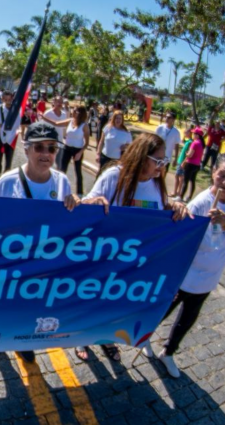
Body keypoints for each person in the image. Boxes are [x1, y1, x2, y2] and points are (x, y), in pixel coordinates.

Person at [0, 122, 109, 363]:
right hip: (13, 263)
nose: (46, 154)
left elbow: (69, 219)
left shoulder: (62, 181)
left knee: (30, 307)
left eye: (52, 149)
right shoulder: (7, 182)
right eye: (39, 148)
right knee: (6, 305)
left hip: (44, 265)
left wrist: (82, 203)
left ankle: (23, 342)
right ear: (26, 149)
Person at [80, 133, 192, 362]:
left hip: (134, 264)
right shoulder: (114, 176)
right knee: (94, 301)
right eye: (158, 160)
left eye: (164, 161)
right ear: (142, 157)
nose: (162, 166)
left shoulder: (157, 184)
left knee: (114, 306)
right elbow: (86, 204)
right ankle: (81, 338)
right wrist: (92, 203)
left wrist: (175, 205)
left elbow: (161, 209)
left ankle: (104, 338)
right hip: (105, 259)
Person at [142, 154, 225, 378]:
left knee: (187, 319)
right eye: (221, 176)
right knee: (163, 310)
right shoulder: (200, 203)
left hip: (209, 278)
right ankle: (144, 337)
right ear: (212, 173)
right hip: (186, 275)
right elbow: (180, 235)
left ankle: (168, 352)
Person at [59, 106, 91, 195]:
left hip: (78, 150)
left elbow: (87, 143)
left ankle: (79, 193)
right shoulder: (70, 121)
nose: (76, 112)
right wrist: (44, 118)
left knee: (78, 171)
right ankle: (60, 188)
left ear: (82, 114)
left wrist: (80, 153)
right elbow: (57, 123)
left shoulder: (84, 126)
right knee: (62, 170)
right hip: (67, 148)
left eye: (78, 111)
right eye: (75, 110)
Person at [180, 127, 205, 202]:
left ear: (197, 135)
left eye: (194, 134)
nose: (193, 135)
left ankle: (180, 197)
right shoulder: (201, 143)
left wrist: (186, 153)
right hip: (197, 165)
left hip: (190, 164)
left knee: (185, 181)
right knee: (192, 180)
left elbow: (190, 155)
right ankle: (189, 197)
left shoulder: (195, 143)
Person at [172, 127, 194, 199]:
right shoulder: (188, 141)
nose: (185, 133)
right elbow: (182, 141)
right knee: (178, 176)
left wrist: (184, 162)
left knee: (180, 177)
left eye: (186, 132)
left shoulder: (190, 142)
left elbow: (188, 154)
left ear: (190, 133)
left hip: (182, 161)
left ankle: (177, 192)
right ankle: (176, 191)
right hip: (180, 160)